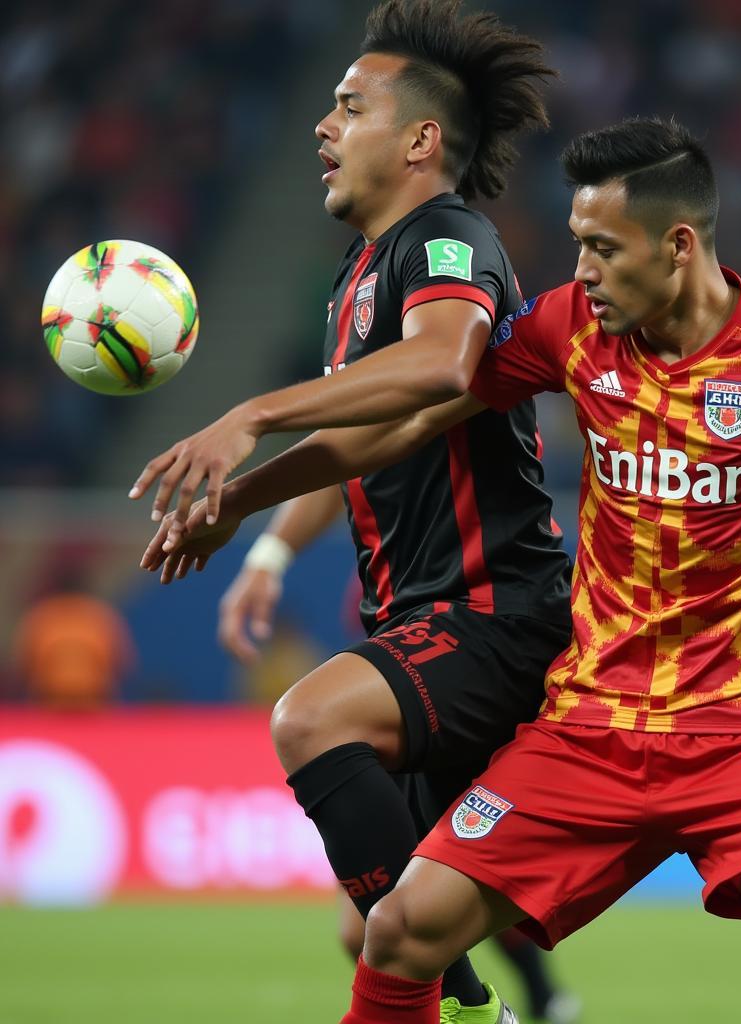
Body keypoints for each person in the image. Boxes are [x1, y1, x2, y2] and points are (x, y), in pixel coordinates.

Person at [144, 116, 741, 1023]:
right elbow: (408, 424)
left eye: (603, 249)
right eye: (576, 246)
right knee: (398, 932)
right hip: (589, 726)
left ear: (679, 246)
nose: (583, 272)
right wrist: (244, 501)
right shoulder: (570, 328)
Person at [136, 3, 575, 1021]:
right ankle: (484, 998)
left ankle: (477, 1010)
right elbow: (383, 438)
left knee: (311, 717)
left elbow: (443, 363)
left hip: (493, 610)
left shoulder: (448, 236)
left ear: (421, 140)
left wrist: (251, 414)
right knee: (367, 924)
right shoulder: (359, 277)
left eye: (348, 107)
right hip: (429, 617)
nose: (321, 128)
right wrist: (238, 511)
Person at [221, 492, 581, 1024]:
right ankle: (502, 1000)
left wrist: (246, 459)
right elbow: (336, 460)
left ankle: (499, 1001)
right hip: (420, 661)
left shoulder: (446, 428)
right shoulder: (381, 563)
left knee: (311, 721)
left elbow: (342, 440)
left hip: (489, 640)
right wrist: (267, 555)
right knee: (364, 931)